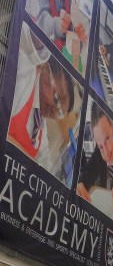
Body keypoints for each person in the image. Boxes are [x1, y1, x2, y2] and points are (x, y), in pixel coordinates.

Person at [8, 24, 74, 170]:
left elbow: (45, 163)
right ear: (47, 69)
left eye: (60, 113)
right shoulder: (25, 72)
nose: (56, 112)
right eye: (59, 98)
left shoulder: (39, 127)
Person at [77, 104, 113, 220]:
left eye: (107, 139)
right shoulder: (98, 151)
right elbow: (87, 172)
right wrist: (80, 183)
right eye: (100, 146)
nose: (106, 152)